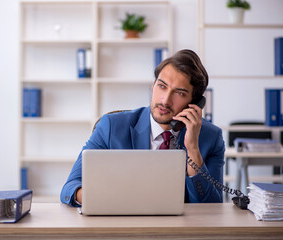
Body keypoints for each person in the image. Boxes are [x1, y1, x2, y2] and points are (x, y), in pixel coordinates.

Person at [61, 49, 225, 207]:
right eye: (161, 86)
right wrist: (104, 199)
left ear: (194, 103)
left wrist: (193, 150)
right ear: (153, 85)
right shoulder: (111, 126)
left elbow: (212, 207)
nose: (165, 100)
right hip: (123, 227)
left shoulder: (211, 137)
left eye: (179, 93)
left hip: (180, 232)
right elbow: (70, 188)